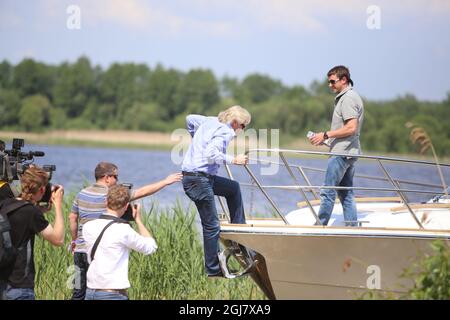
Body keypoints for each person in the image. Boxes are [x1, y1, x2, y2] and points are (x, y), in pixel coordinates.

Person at [68, 161, 181, 300]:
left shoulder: (82, 193)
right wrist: (165, 182)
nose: (117, 180)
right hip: (101, 255)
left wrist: (74, 241)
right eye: (116, 176)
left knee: (78, 293)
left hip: (80, 251)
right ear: (107, 177)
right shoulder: (112, 195)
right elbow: (142, 192)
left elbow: (72, 217)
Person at [181, 105, 251, 277]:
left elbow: (189, 118)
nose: (242, 130)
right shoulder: (226, 132)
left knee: (233, 188)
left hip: (201, 178)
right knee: (212, 225)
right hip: (198, 180)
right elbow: (211, 154)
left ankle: (238, 232)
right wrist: (234, 159)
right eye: (244, 126)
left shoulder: (209, 120)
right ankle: (213, 269)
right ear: (235, 122)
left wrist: (196, 138)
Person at [308, 65, 364, 226]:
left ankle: (320, 225)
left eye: (332, 82)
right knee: (346, 193)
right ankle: (352, 227)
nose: (330, 85)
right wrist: (325, 140)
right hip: (348, 151)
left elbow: (351, 128)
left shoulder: (348, 98)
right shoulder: (348, 97)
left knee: (327, 191)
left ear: (344, 79)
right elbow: (347, 130)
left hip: (342, 154)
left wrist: (326, 134)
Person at [0, 166, 64, 300]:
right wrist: (58, 205)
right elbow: (58, 240)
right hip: (20, 287)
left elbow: (21, 213)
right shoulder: (31, 213)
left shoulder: (5, 204)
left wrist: (39, 210)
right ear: (41, 189)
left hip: (3, 284)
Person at [83, 185, 157, 300]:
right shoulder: (123, 230)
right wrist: (138, 221)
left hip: (90, 292)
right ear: (127, 206)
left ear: (105, 201)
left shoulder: (88, 227)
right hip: (113, 294)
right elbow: (150, 247)